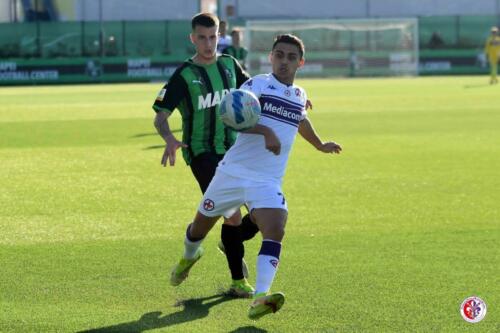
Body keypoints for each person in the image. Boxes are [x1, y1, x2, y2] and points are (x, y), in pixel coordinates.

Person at [169, 34, 342, 320]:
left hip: (267, 180)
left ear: (301, 62)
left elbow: (300, 119)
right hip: (233, 173)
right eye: (279, 55)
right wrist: (266, 131)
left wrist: (319, 144)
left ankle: (261, 296)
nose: (283, 61)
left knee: (276, 227)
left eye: (290, 57)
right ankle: (189, 255)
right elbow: (231, 115)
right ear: (271, 57)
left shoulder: (299, 95)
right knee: (199, 228)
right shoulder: (258, 84)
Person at [152, 13, 259, 298]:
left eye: (212, 37)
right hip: (202, 154)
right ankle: (238, 282)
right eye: (202, 37)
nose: (208, 43)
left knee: (261, 213)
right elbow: (160, 117)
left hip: (235, 151)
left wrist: (289, 96)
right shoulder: (184, 75)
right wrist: (170, 139)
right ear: (193, 38)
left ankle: (203, 249)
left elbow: (255, 92)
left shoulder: (229, 64)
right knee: (233, 215)